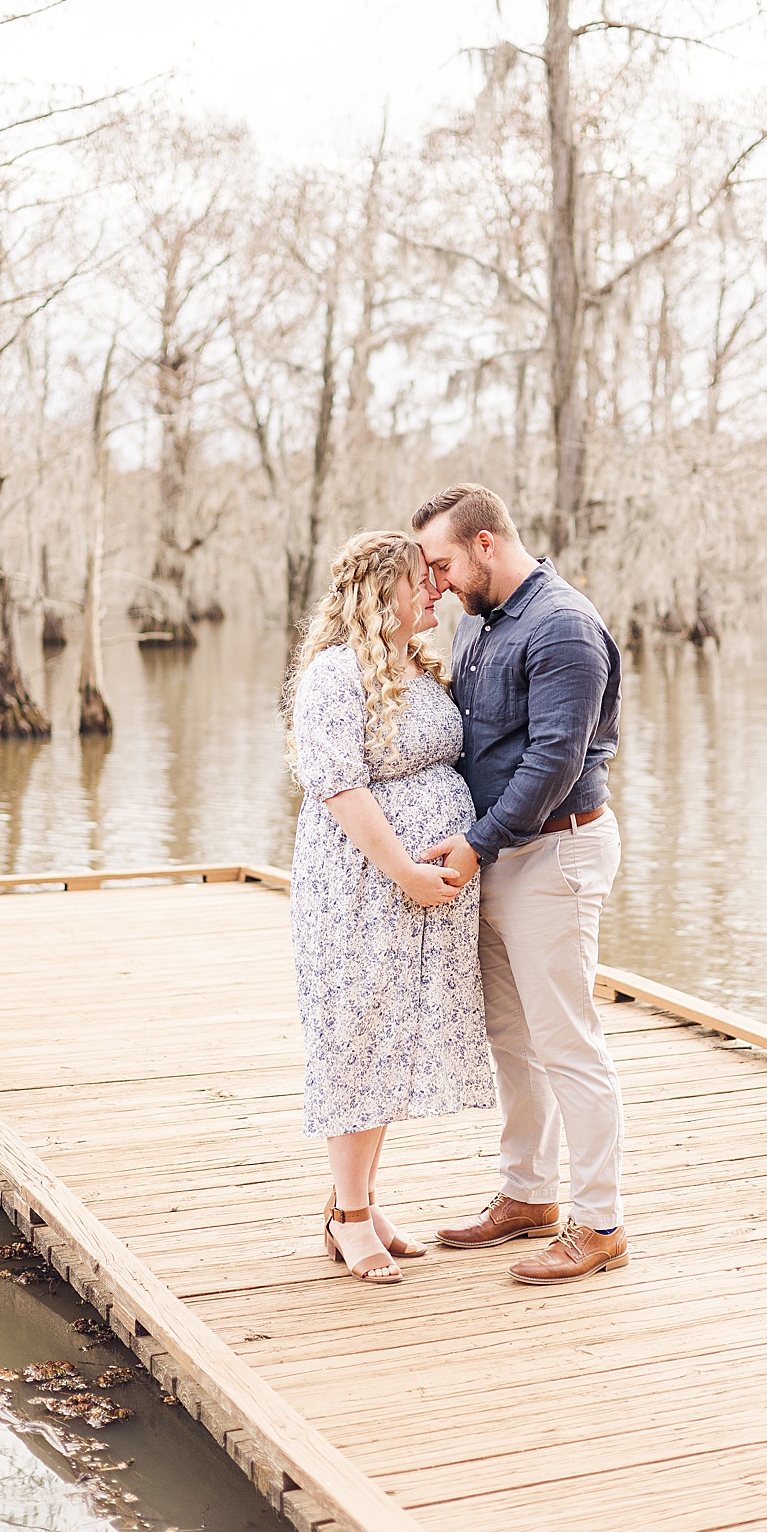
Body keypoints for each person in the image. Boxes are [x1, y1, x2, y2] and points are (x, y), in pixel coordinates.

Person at [412, 484, 627, 1284]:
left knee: (567, 1039)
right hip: (501, 856)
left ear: (485, 545)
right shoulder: (481, 621)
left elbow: (554, 761)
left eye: (441, 563)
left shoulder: (564, 625)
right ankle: (528, 1193)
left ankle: (600, 1222)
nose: (435, 582)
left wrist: (473, 845)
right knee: (512, 1035)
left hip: (555, 852)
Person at [286, 530, 494, 1285]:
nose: (436, 589)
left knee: (392, 1044)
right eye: (421, 580)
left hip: (415, 897)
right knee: (356, 1042)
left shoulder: (419, 666)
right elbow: (339, 785)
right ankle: (346, 1218)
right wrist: (404, 868)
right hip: (358, 889)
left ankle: (362, 1203)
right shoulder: (335, 676)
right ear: (384, 593)